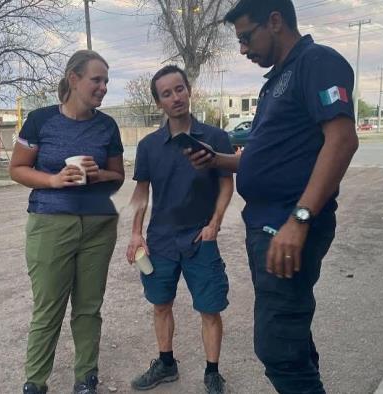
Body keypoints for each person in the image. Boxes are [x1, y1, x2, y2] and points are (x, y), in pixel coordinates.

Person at [188, 1, 360, 392]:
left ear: (276, 21)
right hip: (267, 225)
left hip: (287, 224)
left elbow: (342, 140)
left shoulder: (317, 62)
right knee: (291, 338)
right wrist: (217, 160)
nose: (244, 49)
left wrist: (299, 220)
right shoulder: (277, 79)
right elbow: (267, 158)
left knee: (277, 347)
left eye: (247, 37)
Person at [9, 50, 125, 394]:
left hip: (99, 226)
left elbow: (118, 178)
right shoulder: (40, 120)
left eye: (106, 81)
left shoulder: (107, 126)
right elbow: (16, 169)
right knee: (48, 309)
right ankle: (35, 382)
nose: (103, 87)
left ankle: (85, 379)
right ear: (74, 79)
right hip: (50, 223)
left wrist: (100, 172)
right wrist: (53, 180)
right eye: (97, 80)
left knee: (89, 308)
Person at [126, 65, 235, 394]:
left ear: (189, 90)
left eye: (179, 89)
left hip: (200, 238)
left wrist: (215, 223)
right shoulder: (148, 147)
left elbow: (226, 185)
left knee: (210, 308)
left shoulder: (215, 139)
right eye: (167, 94)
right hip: (160, 241)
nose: (175, 98)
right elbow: (141, 193)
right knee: (161, 304)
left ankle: (212, 372)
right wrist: (135, 232)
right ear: (158, 103)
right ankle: (166, 363)